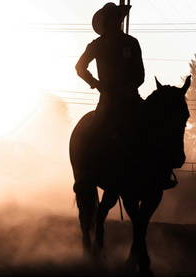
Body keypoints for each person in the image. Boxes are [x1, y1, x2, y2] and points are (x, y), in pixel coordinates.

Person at [75, 2, 144, 167]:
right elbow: (80, 67)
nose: (115, 21)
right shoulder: (96, 45)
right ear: (106, 21)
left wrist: (129, 87)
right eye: (111, 18)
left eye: (117, 18)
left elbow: (140, 74)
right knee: (93, 131)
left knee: (152, 127)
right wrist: (96, 84)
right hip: (108, 99)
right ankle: (87, 171)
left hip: (131, 98)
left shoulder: (131, 43)